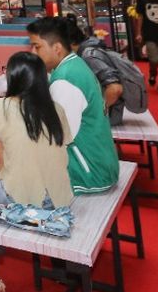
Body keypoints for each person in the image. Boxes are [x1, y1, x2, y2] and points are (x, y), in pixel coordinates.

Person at [0, 51, 74, 292]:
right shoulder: (57, 109)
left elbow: (0, 163)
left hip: (25, 199)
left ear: (13, 77)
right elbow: (62, 148)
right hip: (60, 197)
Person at [26, 17, 119, 194]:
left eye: (37, 46)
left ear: (57, 48)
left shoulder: (65, 81)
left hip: (88, 174)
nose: (32, 52)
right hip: (97, 163)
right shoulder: (74, 65)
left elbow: (56, 138)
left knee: (8, 173)